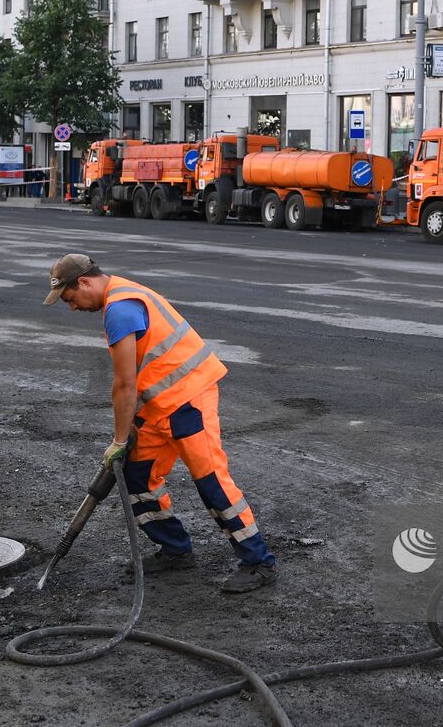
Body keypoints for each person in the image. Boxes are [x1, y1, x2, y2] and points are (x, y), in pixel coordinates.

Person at [43, 254, 278, 593]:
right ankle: (175, 549)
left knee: (210, 481)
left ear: (85, 282)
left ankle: (259, 562)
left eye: (70, 299)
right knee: (137, 475)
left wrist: (120, 438)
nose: (73, 307)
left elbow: (124, 384)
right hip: (159, 404)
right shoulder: (121, 294)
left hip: (188, 399)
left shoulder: (120, 309)